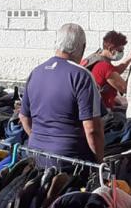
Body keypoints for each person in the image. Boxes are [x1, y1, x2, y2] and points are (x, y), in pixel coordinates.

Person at [20, 23, 104, 162]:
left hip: (35, 155)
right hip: (70, 159)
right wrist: (100, 162)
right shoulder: (82, 75)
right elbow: (92, 129)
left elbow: (24, 117)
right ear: (82, 47)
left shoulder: (36, 72)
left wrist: (39, 140)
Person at [82, 31, 131, 112]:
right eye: (120, 50)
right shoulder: (104, 66)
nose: (121, 53)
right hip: (103, 112)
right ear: (111, 49)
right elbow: (125, 88)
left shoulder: (96, 58)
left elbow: (115, 71)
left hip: (95, 107)